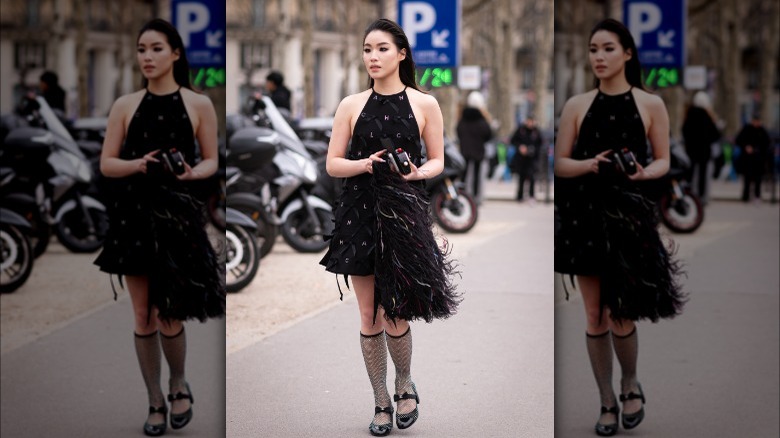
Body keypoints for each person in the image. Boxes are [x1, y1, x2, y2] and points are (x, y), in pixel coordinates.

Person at [319, 18, 460, 437]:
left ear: (401, 53)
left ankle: (404, 384)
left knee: (396, 310)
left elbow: (438, 160)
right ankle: (381, 400)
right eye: (367, 49)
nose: (373, 57)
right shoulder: (350, 104)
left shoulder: (424, 103)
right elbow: (332, 163)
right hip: (358, 211)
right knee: (368, 313)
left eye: (381, 48)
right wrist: (363, 164)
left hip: (404, 213)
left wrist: (418, 174)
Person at [554, 18, 685, 437]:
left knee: (622, 315)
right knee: (594, 315)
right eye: (594, 49)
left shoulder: (651, 104)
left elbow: (664, 159)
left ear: (627, 53)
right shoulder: (577, 104)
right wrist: (590, 163)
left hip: (630, 219)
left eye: (608, 48)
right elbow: (560, 162)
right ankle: (606, 400)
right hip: (584, 218)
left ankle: (630, 384)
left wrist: (645, 174)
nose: (599, 57)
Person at [93, 18, 225, 436]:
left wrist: (189, 173)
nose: (146, 57)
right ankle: (154, 400)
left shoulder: (198, 103)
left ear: (175, 53)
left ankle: (178, 382)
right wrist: (138, 164)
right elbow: (106, 163)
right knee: (142, 314)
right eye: (141, 50)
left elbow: (211, 160)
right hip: (134, 218)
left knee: (170, 314)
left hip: (179, 220)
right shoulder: (125, 105)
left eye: (155, 48)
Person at [681, 91, 721, 203]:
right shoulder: (707, 116)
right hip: (704, 150)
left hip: (691, 149)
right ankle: (701, 196)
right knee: (703, 174)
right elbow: (715, 134)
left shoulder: (689, 114)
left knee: (690, 172)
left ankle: (688, 194)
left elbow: (684, 131)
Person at [456, 97, 492, 201]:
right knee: (477, 175)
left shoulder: (463, 118)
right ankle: (475, 196)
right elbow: (488, 134)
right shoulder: (482, 120)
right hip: (478, 150)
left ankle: (461, 194)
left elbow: (458, 131)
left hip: (465, 149)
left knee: (464, 173)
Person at [734, 112, 771, 202]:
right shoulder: (747, 129)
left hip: (758, 159)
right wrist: (746, 146)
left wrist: (758, 150)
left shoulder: (762, 130)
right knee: (747, 178)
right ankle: (745, 196)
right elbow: (738, 140)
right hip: (748, 159)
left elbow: (767, 143)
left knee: (758, 179)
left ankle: (757, 196)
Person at [509, 117, 543, 202]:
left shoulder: (536, 131)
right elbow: (513, 140)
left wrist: (533, 150)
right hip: (521, 159)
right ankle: (520, 196)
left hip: (532, 159)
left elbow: (540, 144)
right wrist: (520, 147)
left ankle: (531, 196)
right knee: (521, 178)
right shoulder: (521, 130)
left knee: (532, 178)